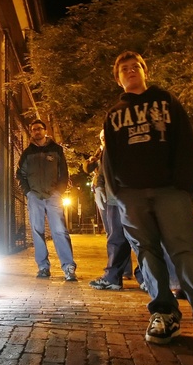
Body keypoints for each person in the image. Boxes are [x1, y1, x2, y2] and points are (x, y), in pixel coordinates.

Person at [101, 50, 193, 362]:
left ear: (144, 70)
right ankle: (164, 313)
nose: (130, 71)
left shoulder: (166, 101)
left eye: (135, 66)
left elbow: (185, 143)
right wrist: (119, 194)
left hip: (170, 191)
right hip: (132, 196)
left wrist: (186, 186)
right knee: (147, 254)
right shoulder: (114, 113)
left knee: (185, 252)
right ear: (118, 78)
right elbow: (109, 157)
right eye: (123, 69)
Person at [17, 119, 77, 281]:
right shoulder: (27, 153)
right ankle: (43, 267)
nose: (36, 131)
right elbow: (20, 174)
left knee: (59, 230)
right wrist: (28, 192)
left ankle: (68, 267)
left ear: (45, 130)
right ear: (31, 132)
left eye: (39, 128)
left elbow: (63, 173)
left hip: (53, 196)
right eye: (33, 129)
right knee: (37, 231)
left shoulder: (56, 150)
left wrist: (59, 191)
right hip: (35, 196)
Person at [85, 130, 132, 290]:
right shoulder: (101, 152)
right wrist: (98, 187)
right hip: (111, 197)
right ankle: (115, 275)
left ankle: (145, 276)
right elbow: (98, 171)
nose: (105, 139)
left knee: (137, 239)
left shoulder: (123, 146)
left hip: (129, 197)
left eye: (107, 136)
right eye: (102, 137)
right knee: (116, 237)